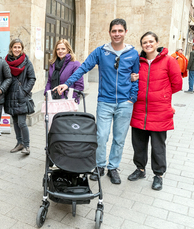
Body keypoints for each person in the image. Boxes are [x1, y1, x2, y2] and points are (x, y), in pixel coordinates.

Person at [54, 18, 139, 184]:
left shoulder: (133, 54)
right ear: (109, 33)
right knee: (101, 136)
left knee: (119, 138)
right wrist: (67, 83)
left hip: (125, 103)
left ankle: (113, 167)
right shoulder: (101, 52)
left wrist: (132, 98)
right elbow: (84, 67)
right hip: (105, 102)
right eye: (114, 31)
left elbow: (137, 77)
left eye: (120, 31)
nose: (117, 34)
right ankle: (100, 165)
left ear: (125, 32)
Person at [128, 32, 182, 191]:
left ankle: (158, 175)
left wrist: (163, 96)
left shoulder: (169, 61)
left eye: (151, 41)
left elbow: (177, 84)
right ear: (142, 44)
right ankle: (140, 169)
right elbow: (129, 78)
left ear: (157, 42)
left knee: (158, 146)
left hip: (159, 111)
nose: (148, 44)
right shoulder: (137, 61)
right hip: (139, 109)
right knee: (138, 143)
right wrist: (131, 79)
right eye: (144, 42)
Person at [4, 39, 36, 155]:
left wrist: (25, 91)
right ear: (11, 48)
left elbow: (32, 78)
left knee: (22, 122)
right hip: (11, 96)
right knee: (16, 122)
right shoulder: (6, 61)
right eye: (15, 47)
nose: (17, 49)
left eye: (19, 47)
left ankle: (26, 146)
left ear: (22, 49)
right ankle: (19, 143)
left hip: (22, 96)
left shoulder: (27, 62)